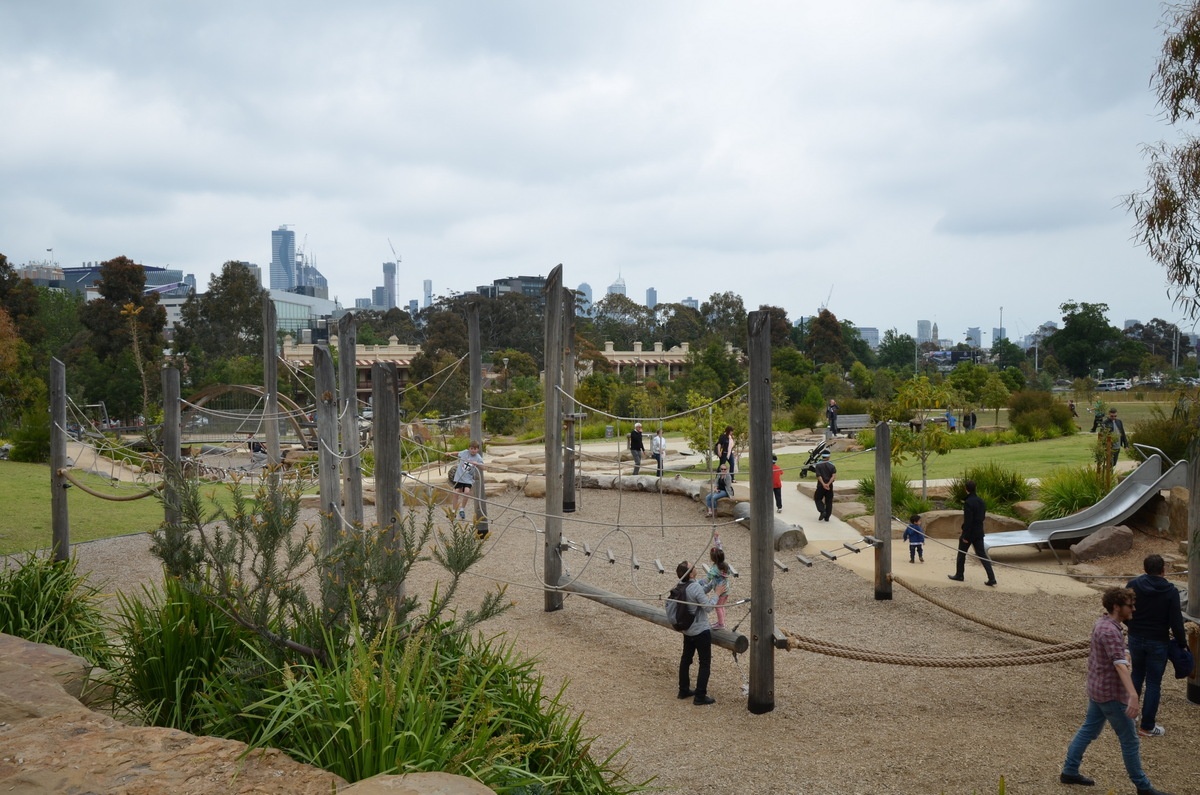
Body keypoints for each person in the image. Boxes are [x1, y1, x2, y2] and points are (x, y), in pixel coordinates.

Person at [1060, 587, 1172, 795]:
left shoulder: (1103, 623)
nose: (1134, 609)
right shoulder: (1110, 630)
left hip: (1097, 689)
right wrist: (1133, 695)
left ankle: (1069, 770)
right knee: (1130, 740)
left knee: (1089, 730)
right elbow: (1120, 664)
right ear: (1116, 607)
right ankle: (1143, 787)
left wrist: (1126, 652)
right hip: (1110, 693)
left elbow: (1118, 653)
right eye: (1130, 606)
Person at [1125, 554, 1187, 739]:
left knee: (1136, 675)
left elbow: (1124, 609)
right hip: (1158, 641)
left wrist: (1132, 627)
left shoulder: (1133, 585)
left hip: (1136, 637)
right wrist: (1182, 643)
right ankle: (1147, 726)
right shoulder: (1170, 591)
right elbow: (1176, 621)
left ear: (1144, 569)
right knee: (1153, 683)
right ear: (1163, 570)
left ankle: (1130, 719)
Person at [675, 559, 725, 706]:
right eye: (693, 567)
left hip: (688, 630)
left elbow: (699, 593)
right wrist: (717, 593)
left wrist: (712, 584)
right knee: (704, 663)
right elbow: (708, 607)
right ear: (690, 574)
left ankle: (683, 690)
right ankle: (700, 696)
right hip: (700, 631)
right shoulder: (694, 587)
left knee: (686, 660)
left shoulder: (682, 585)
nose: (696, 568)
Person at [947, 479, 996, 586]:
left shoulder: (969, 502)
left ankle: (959, 574)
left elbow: (968, 520)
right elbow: (981, 517)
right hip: (979, 531)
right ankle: (992, 577)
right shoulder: (981, 501)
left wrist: (965, 535)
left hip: (969, 533)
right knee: (982, 555)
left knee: (961, 554)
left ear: (966, 489)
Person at [451, 440, 485, 521]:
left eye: (475, 449)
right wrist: (449, 453)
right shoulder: (465, 453)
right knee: (456, 492)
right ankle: (453, 510)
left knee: (467, 492)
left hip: (468, 479)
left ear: (478, 450)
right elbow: (457, 453)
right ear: (469, 448)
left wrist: (477, 464)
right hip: (459, 477)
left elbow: (484, 467)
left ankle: (462, 509)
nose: (473, 450)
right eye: (472, 448)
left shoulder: (478, 458)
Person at [706, 541, 732, 629]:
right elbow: (720, 546)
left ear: (712, 559)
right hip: (726, 589)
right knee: (721, 606)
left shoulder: (714, 568)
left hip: (721, 591)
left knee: (718, 607)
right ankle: (721, 622)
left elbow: (708, 578)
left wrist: (701, 583)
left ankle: (721, 624)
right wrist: (716, 538)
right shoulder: (725, 565)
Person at [813, 449, 836, 522]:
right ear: (829, 457)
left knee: (817, 498)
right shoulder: (832, 465)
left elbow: (818, 476)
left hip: (820, 485)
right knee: (829, 501)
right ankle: (827, 517)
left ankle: (822, 511)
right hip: (829, 486)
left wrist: (823, 484)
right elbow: (833, 476)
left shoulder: (818, 465)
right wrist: (828, 484)